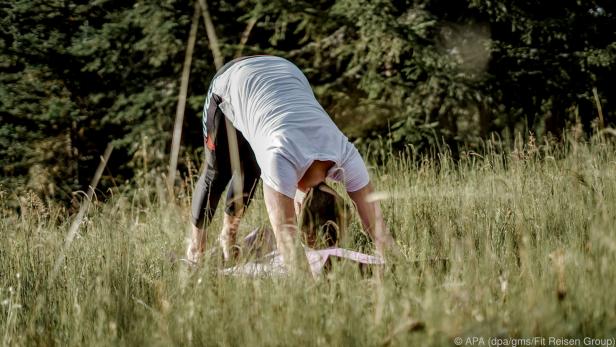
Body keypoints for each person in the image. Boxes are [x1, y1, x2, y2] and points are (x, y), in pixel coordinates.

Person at [188, 56, 396, 271]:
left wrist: (398, 270)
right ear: (299, 210)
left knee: (252, 169)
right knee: (218, 173)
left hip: (286, 70)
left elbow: (379, 232)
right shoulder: (279, 159)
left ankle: (227, 237)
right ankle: (196, 249)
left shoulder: (347, 155)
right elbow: (287, 245)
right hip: (234, 78)